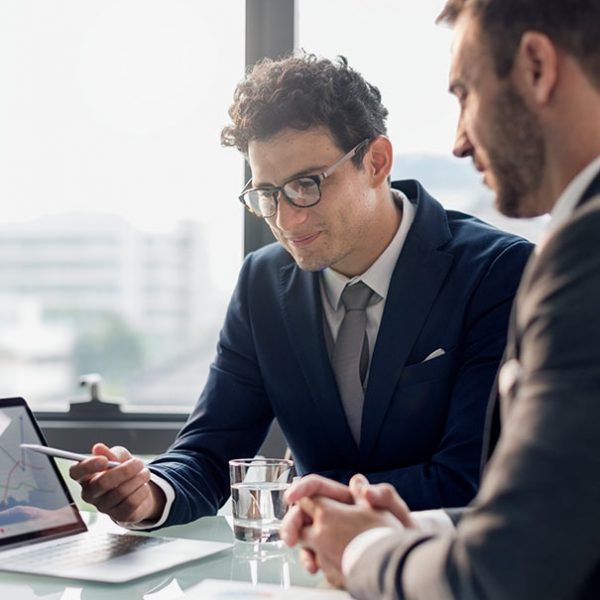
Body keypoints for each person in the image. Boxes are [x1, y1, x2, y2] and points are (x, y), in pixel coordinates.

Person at [69, 54, 531, 529]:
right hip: (311, 572)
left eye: (307, 185)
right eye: (267, 194)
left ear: (376, 162)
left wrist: (307, 501)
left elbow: (471, 479)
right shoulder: (262, 283)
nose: (288, 220)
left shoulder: (497, 273)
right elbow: (209, 451)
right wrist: (148, 493)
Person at [281, 1, 600, 598]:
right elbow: (563, 515)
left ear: (536, 65)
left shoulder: (584, 253)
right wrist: (398, 527)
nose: (457, 141)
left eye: (465, 94)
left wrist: (359, 549)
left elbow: (507, 573)